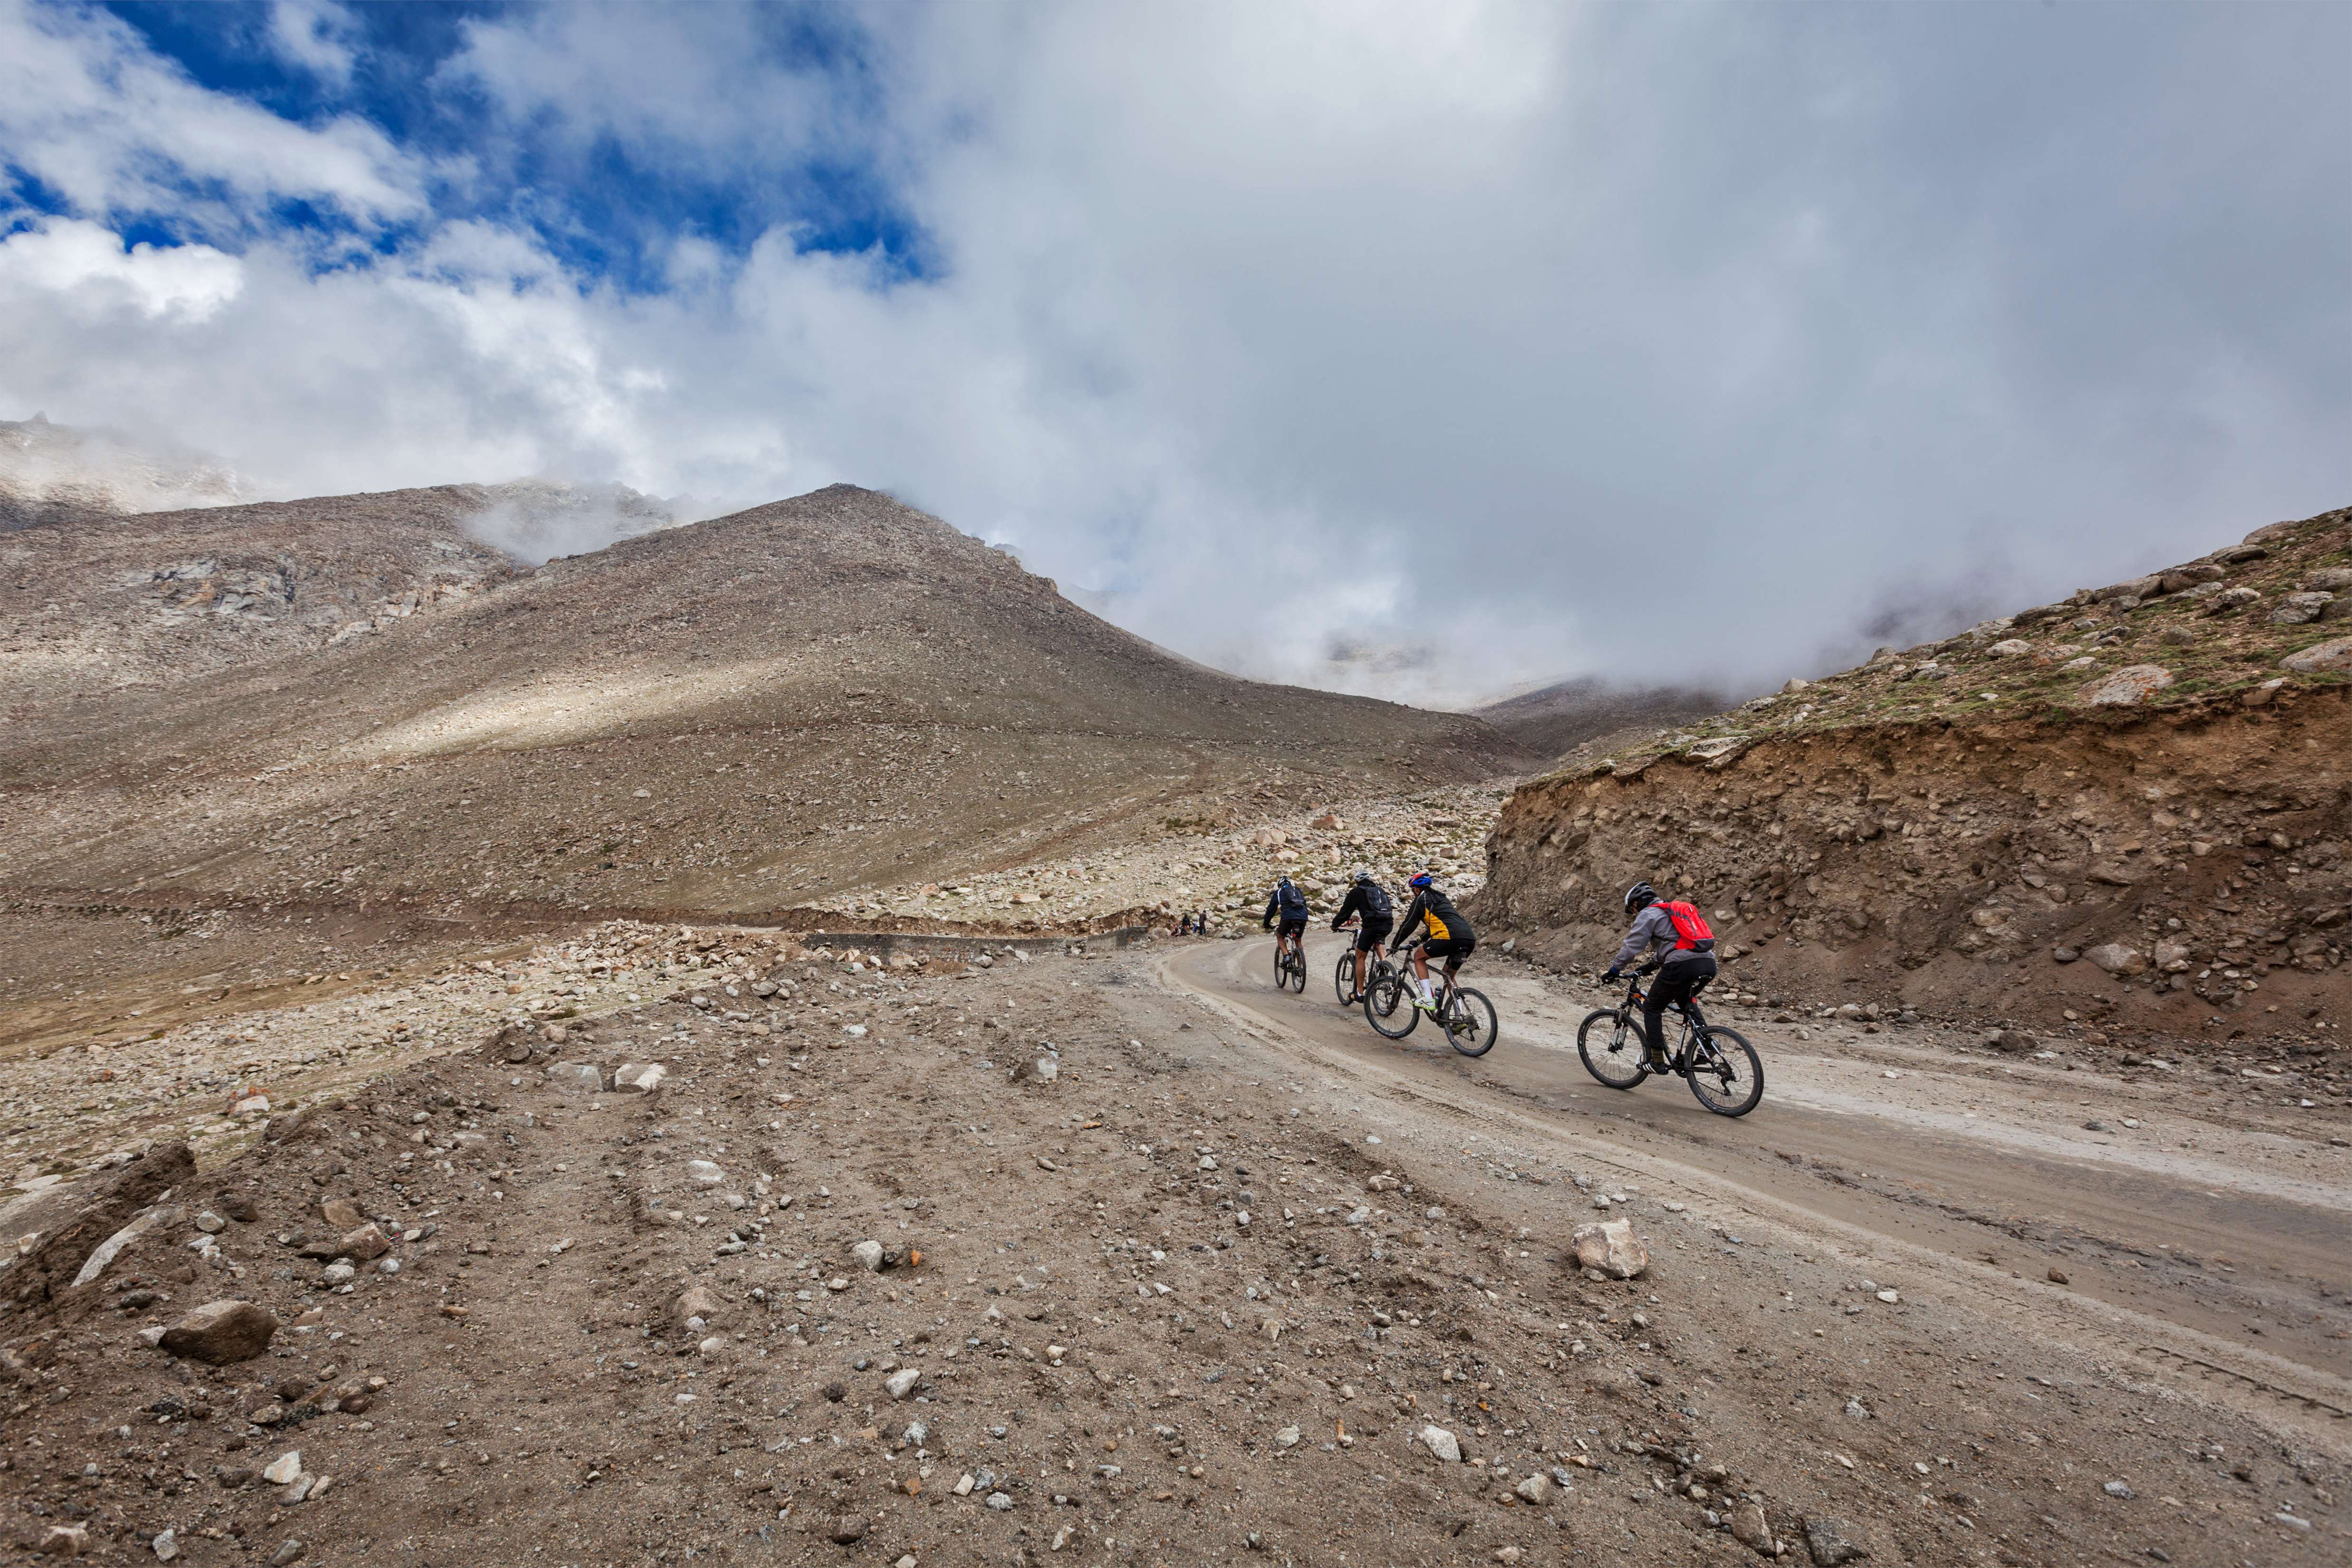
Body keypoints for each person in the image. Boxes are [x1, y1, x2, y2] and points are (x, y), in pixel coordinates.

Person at [1601, 880, 1718, 1071]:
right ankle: (1709, 1045)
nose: (1634, 914)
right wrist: (1651, 966)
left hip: (1682, 965)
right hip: (1708, 963)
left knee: (1652, 1007)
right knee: (1685, 1001)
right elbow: (1674, 943)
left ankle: (1656, 1061)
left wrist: (1615, 969)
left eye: (1632, 910)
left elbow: (1632, 947)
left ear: (1637, 904)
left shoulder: (1648, 914)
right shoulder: (1671, 912)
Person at [1391, 870, 1474, 1011]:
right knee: (1449, 976)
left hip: (1450, 937)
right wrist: (1417, 941)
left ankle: (1429, 1000)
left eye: (1413, 890)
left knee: (1418, 957)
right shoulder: (1441, 899)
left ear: (1416, 889)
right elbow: (1436, 926)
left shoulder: (1420, 900)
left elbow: (1408, 925)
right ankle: (1460, 1015)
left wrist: (1395, 945)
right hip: (1469, 939)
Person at [1329, 869, 1394, 1002]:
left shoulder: (1357, 892)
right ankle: (1384, 965)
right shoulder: (1379, 890)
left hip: (1371, 926)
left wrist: (1335, 924)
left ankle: (1360, 993)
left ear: (1357, 882)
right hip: (1388, 924)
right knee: (1377, 943)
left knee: (1360, 957)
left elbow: (1345, 912)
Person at [1262, 877, 1309, 966]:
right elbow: (1304, 904)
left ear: (1280, 885)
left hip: (1288, 916)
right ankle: (1300, 967)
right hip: (1303, 916)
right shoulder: (1298, 890)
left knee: (1280, 935)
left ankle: (1286, 956)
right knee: (1298, 940)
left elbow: (1271, 909)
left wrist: (1266, 924)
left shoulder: (1279, 892)